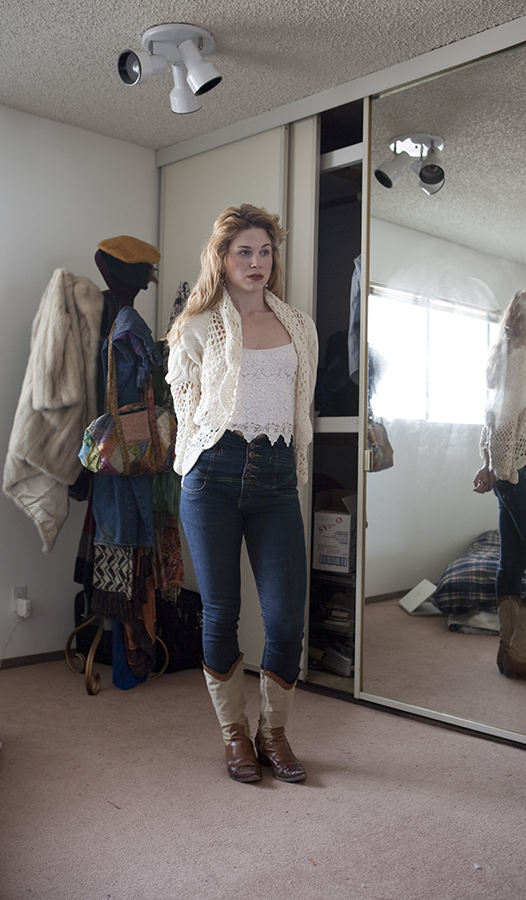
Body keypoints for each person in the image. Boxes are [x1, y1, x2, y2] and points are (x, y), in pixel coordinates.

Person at [166, 204, 318, 783]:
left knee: (284, 619)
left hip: (277, 479)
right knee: (221, 612)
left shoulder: (297, 326)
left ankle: (272, 732)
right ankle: (235, 736)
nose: (257, 262)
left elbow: (300, 407)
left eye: (265, 251)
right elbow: (188, 417)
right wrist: (198, 470)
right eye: (244, 252)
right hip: (214, 475)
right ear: (222, 260)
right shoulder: (198, 326)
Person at [473, 286, 526, 681]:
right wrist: (503, 472)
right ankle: (519, 651)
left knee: (512, 564)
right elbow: (502, 427)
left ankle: (507, 651)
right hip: (520, 475)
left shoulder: (506, 355)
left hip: (509, 474)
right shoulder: (524, 359)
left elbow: (491, 422)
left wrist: (490, 468)